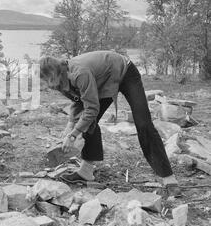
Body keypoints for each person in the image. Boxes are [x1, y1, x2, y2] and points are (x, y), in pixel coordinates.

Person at [40, 51, 181, 197]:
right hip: (102, 80)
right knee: (87, 122)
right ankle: (86, 172)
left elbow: (91, 109)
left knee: (143, 123)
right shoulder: (57, 82)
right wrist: (71, 124)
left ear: (53, 74)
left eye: (45, 80)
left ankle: (169, 179)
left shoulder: (79, 73)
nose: (45, 85)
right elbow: (79, 101)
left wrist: (73, 135)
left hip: (124, 72)